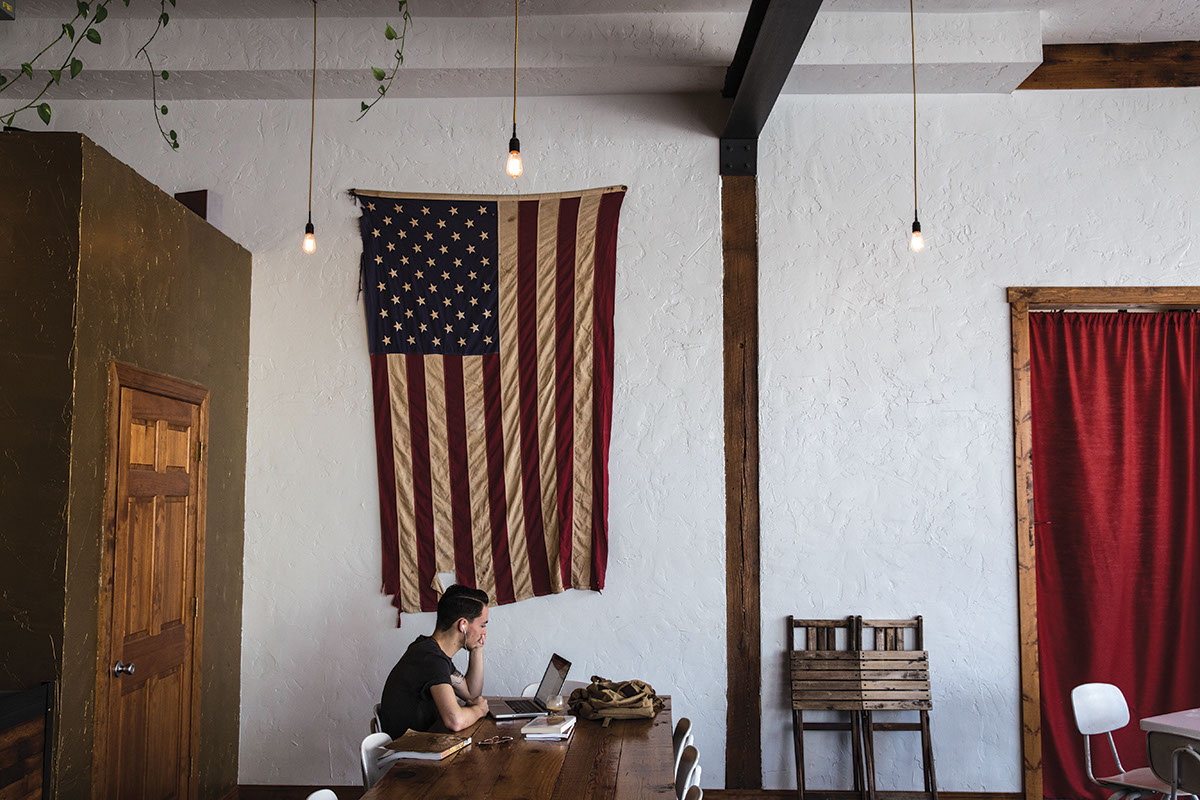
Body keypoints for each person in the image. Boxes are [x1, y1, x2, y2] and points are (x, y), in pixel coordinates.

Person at [378, 585, 490, 736]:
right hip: (408, 755)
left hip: (421, 746)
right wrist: (479, 710)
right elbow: (454, 720)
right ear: (462, 625)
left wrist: (477, 648)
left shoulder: (431, 651)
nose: (484, 632)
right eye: (482, 625)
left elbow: (471, 693)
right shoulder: (430, 658)